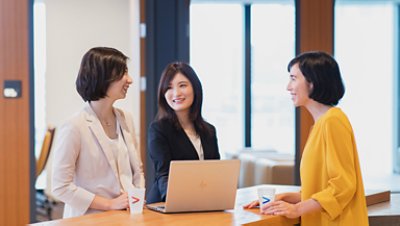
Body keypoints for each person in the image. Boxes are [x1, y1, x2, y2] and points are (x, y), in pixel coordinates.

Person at [244, 51, 369, 226]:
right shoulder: (321, 124)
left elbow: (343, 186)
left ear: (312, 82)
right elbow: (321, 191)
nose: (288, 87)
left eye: (293, 78)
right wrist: (286, 198)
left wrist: (297, 209)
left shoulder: (332, 121)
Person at [51, 47, 145, 218]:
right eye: (123, 73)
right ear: (103, 78)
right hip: (89, 218)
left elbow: (137, 171)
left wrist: (137, 197)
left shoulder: (126, 119)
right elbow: (60, 186)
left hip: (127, 216)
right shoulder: (74, 126)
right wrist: (109, 204)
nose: (129, 80)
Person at [147, 62, 220, 204]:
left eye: (182, 85)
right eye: (169, 88)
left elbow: (215, 172)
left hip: (203, 203)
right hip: (167, 204)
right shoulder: (159, 129)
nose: (176, 93)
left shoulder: (209, 131)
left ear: (195, 88)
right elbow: (164, 175)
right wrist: (177, 201)